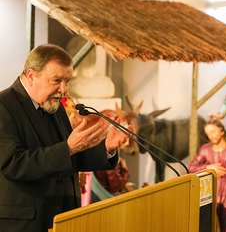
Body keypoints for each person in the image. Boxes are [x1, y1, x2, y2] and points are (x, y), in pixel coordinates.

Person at [0, 44, 131, 232]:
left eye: (67, 81)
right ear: (31, 76)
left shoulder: (54, 105)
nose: (63, 89)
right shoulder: (4, 107)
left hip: (64, 218)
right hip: (26, 223)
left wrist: (107, 148)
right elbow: (13, 165)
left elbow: (71, 157)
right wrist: (68, 148)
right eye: (57, 80)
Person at [188, 119, 226, 232]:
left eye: (213, 131)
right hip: (211, 193)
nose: (211, 136)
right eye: (208, 133)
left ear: (221, 131)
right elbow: (191, 167)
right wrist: (207, 168)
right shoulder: (205, 150)